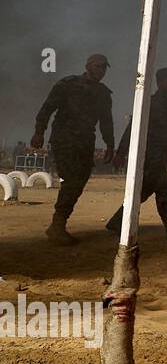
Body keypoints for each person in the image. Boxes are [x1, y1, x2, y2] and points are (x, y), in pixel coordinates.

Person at [106, 67, 167, 240]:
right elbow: (131, 129)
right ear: (160, 82)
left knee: (143, 191)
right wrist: (121, 153)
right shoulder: (147, 102)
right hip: (147, 153)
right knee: (164, 187)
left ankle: (117, 221)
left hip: (162, 154)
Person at [31, 53, 115, 245]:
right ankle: (57, 225)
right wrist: (39, 132)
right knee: (72, 180)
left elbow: (106, 122)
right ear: (88, 66)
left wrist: (110, 144)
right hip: (64, 139)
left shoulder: (103, 93)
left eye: (104, 68)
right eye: (98, 66)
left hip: (85, 142)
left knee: (78, 181)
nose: (101, 71)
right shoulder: (68, 84)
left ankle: (58, 224)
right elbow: (47, 108)